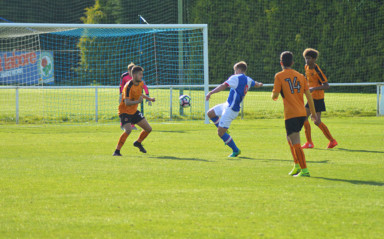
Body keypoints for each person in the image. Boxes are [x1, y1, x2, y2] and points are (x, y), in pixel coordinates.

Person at [272, 51, 319, 177]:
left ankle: (304, 170)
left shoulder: (279, 76)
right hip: (302, 113)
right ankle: (296, 165)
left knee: (296, 142)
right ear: (292, 63)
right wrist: (313, 114)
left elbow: (275, 96)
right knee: (290, 139)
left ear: (281, 63)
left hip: (291, 114)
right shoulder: (300, 76)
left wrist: (274, 94)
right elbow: (309, 97)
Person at [206, 61, 263, 157]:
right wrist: (260, 84)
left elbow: (223, 86)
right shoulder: (248, 79)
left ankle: (235, 150)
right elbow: (256, 84)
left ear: (238, 70)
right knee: (210, 113)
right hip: (227, 105)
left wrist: (210, 93)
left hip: (231, 109)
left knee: (220, 133)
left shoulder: (235, 78)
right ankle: (225, 130)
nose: (234, 72)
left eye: (234, 70)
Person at [113, 66, 156, 156]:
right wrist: (138, 101)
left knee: (148, 129)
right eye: (140, 74)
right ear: (134, 75)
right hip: (124, 111)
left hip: (133, 111)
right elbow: (127, 102)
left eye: (142, 74)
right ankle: (117, 151)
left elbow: (139, 93)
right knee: (128, 130)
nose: (141, 76)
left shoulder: (140, 83)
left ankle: (138, 142)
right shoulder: (128, 86)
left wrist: (149, 98)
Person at [301, 48, 338, 149]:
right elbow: (307, 78)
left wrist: (314, 88)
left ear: (314, 59)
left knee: (316, 121)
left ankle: (332, 141)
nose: (306, 60)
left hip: (318, 99)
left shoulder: (318, 71)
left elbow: (326, 85)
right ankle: (309, 142)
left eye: (308, 58)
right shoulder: (306, 67)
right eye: (305, 58)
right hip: (311, 98)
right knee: (304, 117)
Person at [119, 62, 151, 130]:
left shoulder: (138, 79)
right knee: (124, 109)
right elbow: (121, 85)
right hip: (125, 96)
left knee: (133, 110)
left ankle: (132, 125)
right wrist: (121, 93)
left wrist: (148, 96)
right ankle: (123, 124)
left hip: (133, 96)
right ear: (129, 71)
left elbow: (144, 86)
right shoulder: (124, 76)